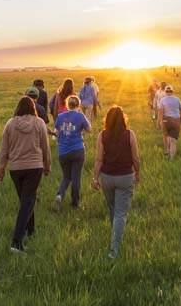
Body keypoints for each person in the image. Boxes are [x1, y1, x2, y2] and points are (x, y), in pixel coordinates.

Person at [0, 97, 51, 253]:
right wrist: (47, 166)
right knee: (27, 200)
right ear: (33, 108)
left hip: (15, 168)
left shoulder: (10, 124)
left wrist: (0, 169)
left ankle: (30, 230)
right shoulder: (39, 123)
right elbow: (45, 148)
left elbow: (4, 149)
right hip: (34, 167)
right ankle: (16, 241)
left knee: (26, 199)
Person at [90, 106, 141, 259]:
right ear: (123, 119)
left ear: (107, 120)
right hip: (125, 177)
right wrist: (137, 172)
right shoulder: (130, 135)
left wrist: (95, 178)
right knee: (120, 213)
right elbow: (136, 158)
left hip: (107, 178)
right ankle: (114, 250)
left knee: (113, 208)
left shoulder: (102, 135)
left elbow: (99, 159)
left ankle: (115, 236)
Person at [53, 95, 91, 210]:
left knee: (66, 177)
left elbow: (57, 133)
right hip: (78, 150)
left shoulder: (60, 116)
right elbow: (89, 130)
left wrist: (59, 143)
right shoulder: (80, 116)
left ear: (68, 105)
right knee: (76, 177)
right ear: (78, 105)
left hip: (63, 151)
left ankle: (60, 195)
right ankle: (75, 202)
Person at [157, 85, 181, 160]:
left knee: (165, 135)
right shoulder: (177, 99)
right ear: (172, 92)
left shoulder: (162, 100)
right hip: (176, 120)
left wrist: (158, 122)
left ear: (165, 92)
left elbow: (160, 113)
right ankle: (172, 159)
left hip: (166, 120)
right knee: (173, 141)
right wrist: (180, 120)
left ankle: (166, 151)